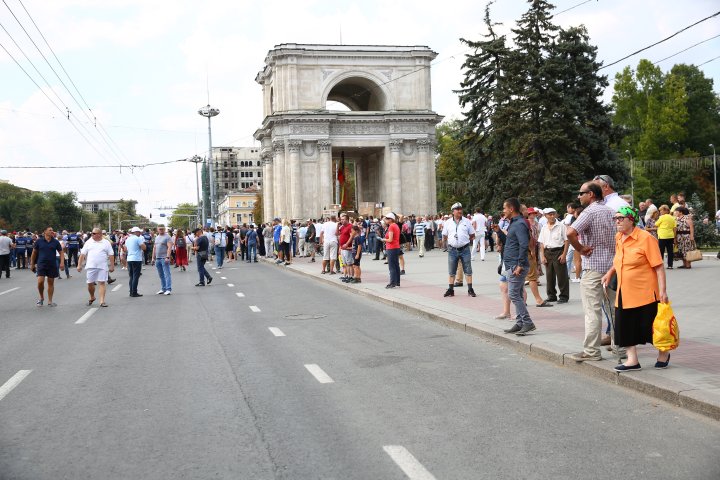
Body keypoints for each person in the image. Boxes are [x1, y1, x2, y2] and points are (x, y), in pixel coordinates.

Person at [601, 206, 670, 371]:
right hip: (624, 291)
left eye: (620, 218)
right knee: (624, 326)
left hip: (646, 292)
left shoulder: (646, 238)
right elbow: (619, 259)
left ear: (631, 220)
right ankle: (632, 360)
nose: (617, 221)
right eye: (615, 219)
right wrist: (610, 272)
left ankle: (664, 353)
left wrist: (663, 291)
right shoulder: (619, 237)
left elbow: (659, 267)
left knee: (651, 326)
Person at [566, 182, 617, 361]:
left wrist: (579, 248)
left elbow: (570, 233)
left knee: (592, 310)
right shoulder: (611, 211)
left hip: (594, 267)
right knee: (614, 309)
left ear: (592, 194)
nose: (579, 196)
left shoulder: (589, 212)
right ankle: (620, 349)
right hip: (613, 267)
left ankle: (592, 351)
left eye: (582, 193)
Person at [501, 198, 536, 335]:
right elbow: (512, 242)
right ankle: (520, 322)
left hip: (516, 265)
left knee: (514, 294)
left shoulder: (520, 223)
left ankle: (527, 322)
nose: (503, 211)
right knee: (518, 294)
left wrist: (520, 265)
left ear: (511, 209)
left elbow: (523, 244)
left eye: (504, 208)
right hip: (511, 264)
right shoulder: (514, 223)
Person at [442, 202, 476, 297]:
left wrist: (464, 240)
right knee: (451, 270)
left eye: (461, 209)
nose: (460, 211)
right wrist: (448, 244)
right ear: (453, 211)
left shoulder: (467, 221)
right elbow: (444, 235)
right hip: (452, 250)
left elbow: (472, 234)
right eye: (457, 209)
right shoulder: (448, 222)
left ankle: (470, 289)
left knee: (468, 269)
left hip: (465, 249)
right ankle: (450, 289)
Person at [538, 208, 569, 303]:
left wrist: (564, 254)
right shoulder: (544, 227)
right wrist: (542, 256)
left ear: (555, 214)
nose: (551, 216)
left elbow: (567, 241)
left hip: (558, 251)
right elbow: (542, 243)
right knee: (549, 276)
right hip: (548, 252)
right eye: (549, 214)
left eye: (553, 214)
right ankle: (551, 295)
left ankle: (564, 296)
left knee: (561, 275)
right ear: (545, 216)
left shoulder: (561, 226)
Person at [77, 228, 115, 307]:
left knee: (102, 282)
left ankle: (102, 301)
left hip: (102, 266)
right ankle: (92, 296)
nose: (92, 235)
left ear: (100, 234)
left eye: (94, 233)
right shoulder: (88, 242)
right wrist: (79, 265)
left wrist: (112, 266)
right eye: (92, 233)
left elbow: (111, 254)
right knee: (90, 283)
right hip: (91, 266)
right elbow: (82, 254)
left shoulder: (106, 243)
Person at [29, 227, 63, 306]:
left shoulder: (55, 242)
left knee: (50, 282)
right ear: (45, 232)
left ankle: (50, 301)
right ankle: (41, 298)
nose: (52, 231)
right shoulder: (39, 241)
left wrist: (62, 263)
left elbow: (61, 252)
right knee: (40, 282)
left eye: (52, 230)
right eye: (50, 230)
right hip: (41, 264)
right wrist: (32, 264)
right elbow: (34, 253)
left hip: (52, 264)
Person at [380, 212, 401, 288]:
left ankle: (392, 283)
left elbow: (390, 239)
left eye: (387, 218)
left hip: (391, 247)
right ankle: (397, 282)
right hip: (396, 247)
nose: (385, 220)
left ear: (391, 219)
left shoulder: (391, 226)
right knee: (396, 265)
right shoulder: (395, 225)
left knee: (391, 266)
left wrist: (383, 239)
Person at [124, 226, 146, 297]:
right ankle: (134, 292)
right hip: (136, 259)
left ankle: (131, 291)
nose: (140, 233)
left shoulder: (128, 239)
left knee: (131, 276)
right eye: (139, 232)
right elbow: (144, 247)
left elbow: (125, 249)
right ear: (136, 232)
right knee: (136, 276)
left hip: (129, 259)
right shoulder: (138, 239)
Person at [152, 225, 173, 295]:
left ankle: (168, 289)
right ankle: (163, 288)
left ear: (164, 229)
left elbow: (169, 247)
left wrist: (167, 257)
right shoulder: (157, 237)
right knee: (161, 275)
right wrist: (153, 258)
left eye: (162, 229)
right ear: (157, 230)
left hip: (164, 258)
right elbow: (154, 248)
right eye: (159, 229)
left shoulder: (167, 237)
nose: (161, 230)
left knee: (167, 274)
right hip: (158, 258)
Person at [655, 205, 676, 269]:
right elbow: (674, 227)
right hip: (670, 236)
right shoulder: (672, 217)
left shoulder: (662, 217)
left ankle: (660, 265)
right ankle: (670, 265)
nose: (660, 212)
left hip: (662, 236)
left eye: (661, 210)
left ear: (665, 210)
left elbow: (656, 224)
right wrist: (675, 237)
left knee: (661, 251)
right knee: (670, 251)